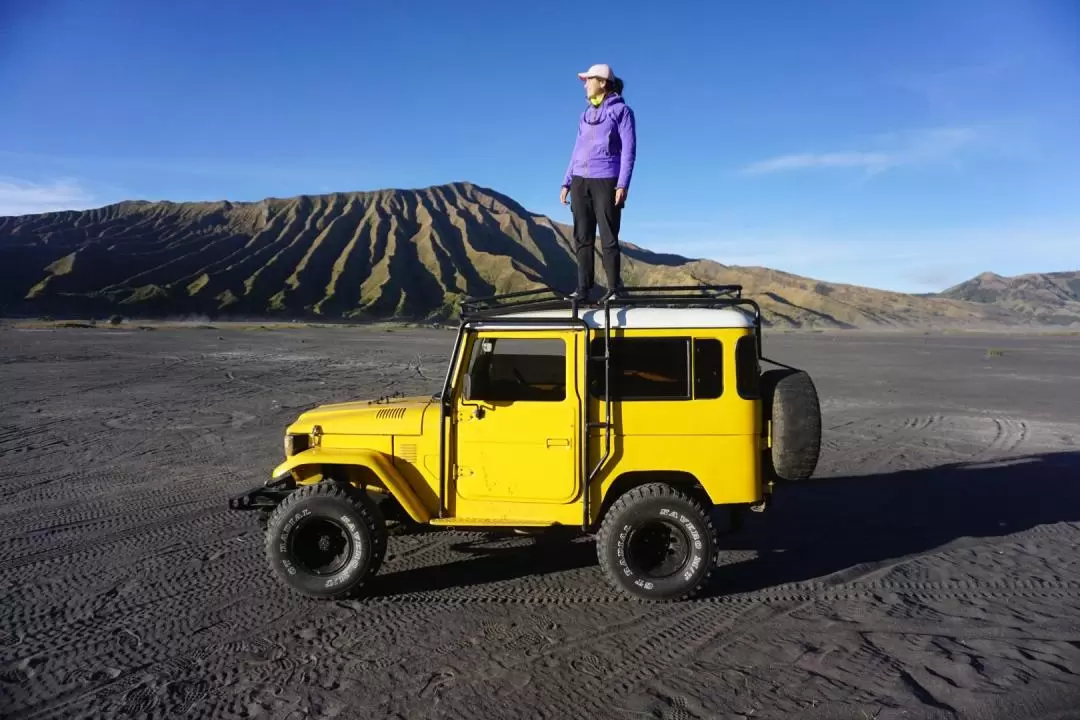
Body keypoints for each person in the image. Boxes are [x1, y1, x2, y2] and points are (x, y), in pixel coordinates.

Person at [560, 63, 636, 302]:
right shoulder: (584, 115)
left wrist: (622, 183)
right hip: (580, 180)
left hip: (606, 179)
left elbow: (629, 150)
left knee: (608, 236)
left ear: (602, 82)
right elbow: (577, 150)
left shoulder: (622, 111)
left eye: (588, 79)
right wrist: (566, 182)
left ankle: (614, 288)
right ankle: (583, 289)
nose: (585, 84)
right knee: (582, 237)